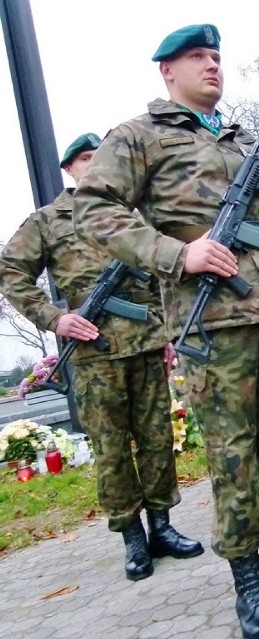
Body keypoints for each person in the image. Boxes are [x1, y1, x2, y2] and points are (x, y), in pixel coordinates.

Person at [72, 25, 259, 639]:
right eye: (197, 57)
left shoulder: (244, 138)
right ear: (166, 72)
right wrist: (178, 254)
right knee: (234, 457)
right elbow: (94, 210)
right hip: (213, 326)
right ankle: (249, 584)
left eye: (216, 57)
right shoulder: (138, 137)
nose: (212, 66)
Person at [0, 133, 203, 582]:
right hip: (95, 355)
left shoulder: (127, 215)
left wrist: (167, 331)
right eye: (86, 159)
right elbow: (11, 272)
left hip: (147, 346)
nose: (94, 165)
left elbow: (159, 276)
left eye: (100, 158)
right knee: (112, 451)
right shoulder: (49, 220)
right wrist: (55, 318)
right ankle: (132, 537)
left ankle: (163, 528)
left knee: (156, 441)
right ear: (69, 169)